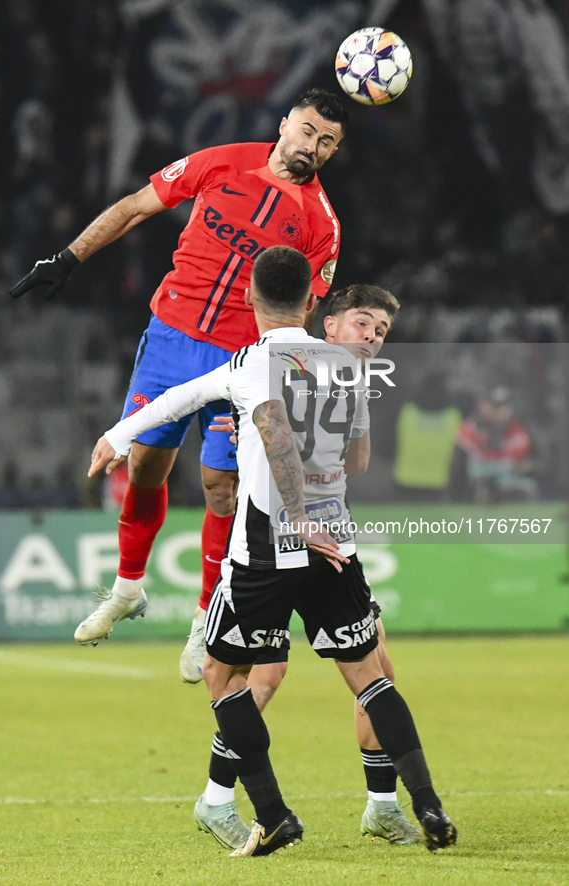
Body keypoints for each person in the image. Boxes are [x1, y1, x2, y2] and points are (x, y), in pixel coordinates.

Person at [89, 246, 457, 856]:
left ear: (251, 300)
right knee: (371, 677)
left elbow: (183, 401)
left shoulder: (249, 362)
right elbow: (357, 460)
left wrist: (116, 435)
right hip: (336, 543)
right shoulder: (347, 367)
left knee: (220, 674)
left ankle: (272, 812)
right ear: (314, 305)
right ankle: (426, 804)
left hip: (270, 546)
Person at [10, 88, 347, 668]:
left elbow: (300, 319)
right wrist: (68, 258)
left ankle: (204, 616)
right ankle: (127, 589)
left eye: (327, 142)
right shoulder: (222, 160)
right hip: (169, 340)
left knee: (221, 484)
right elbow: (137, 206)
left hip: (239, 362)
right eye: (307, 131)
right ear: (286, 122)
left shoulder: (321, 226)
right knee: (144, 464)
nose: (311, 147)